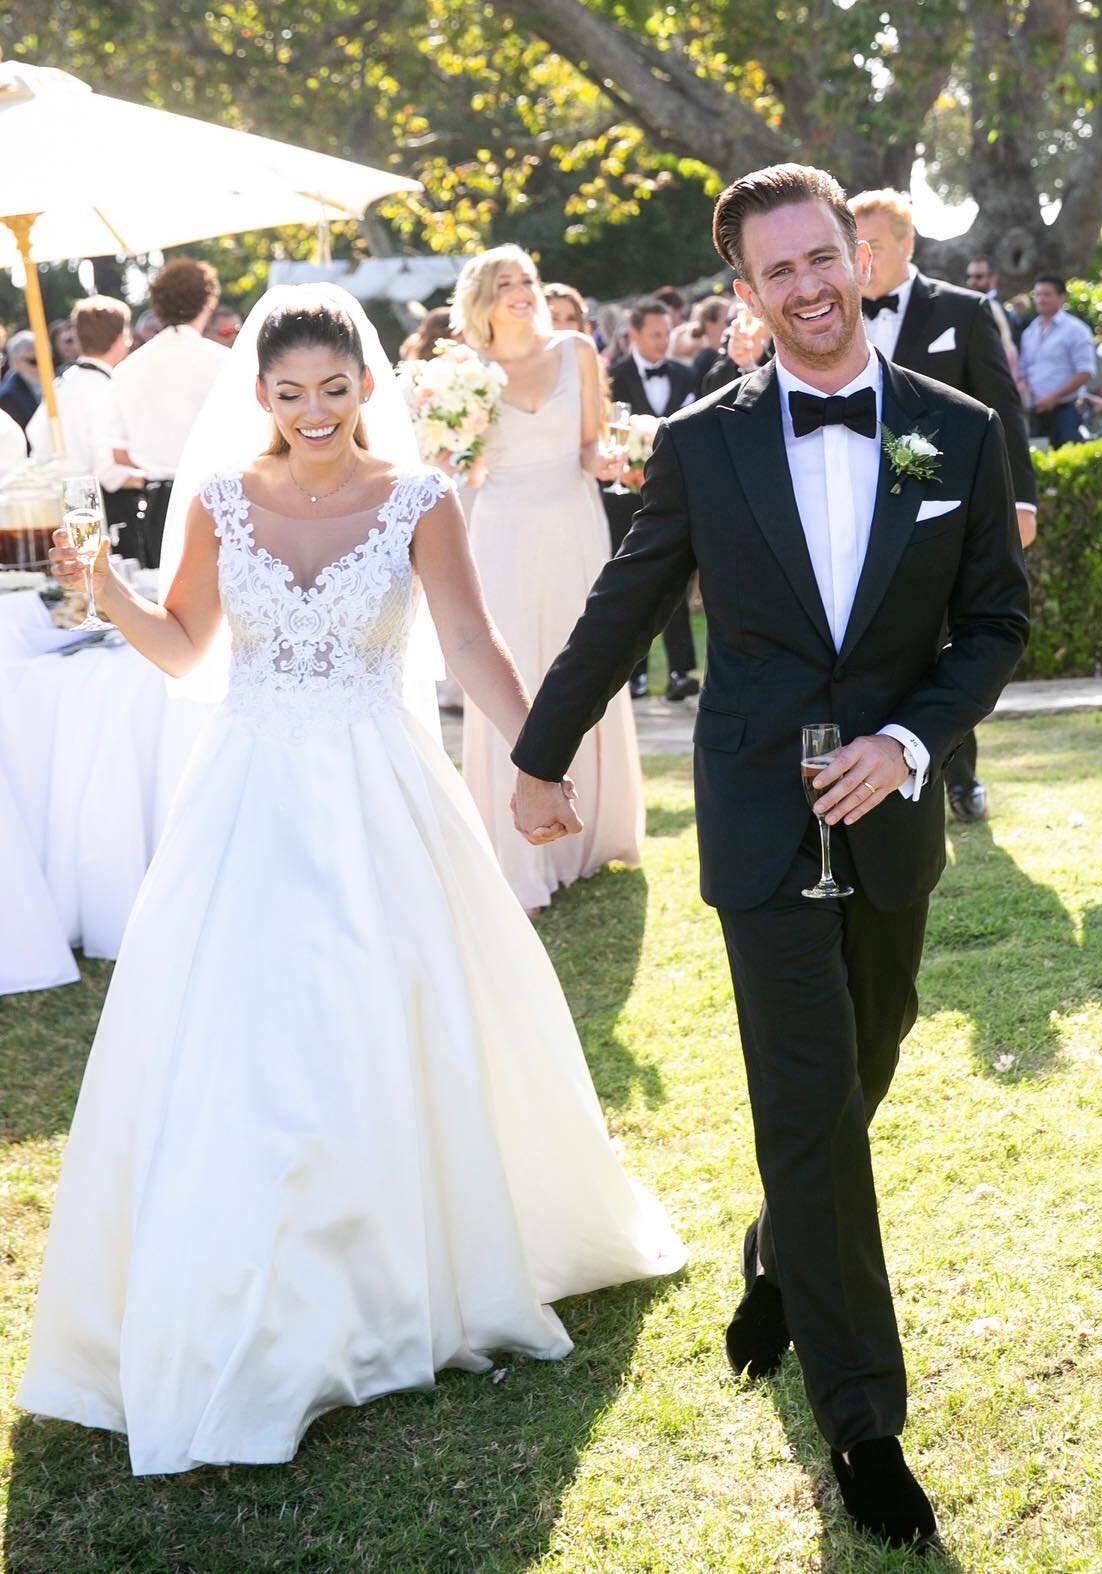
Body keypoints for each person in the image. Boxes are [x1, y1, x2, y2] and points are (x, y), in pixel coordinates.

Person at [19, 287, 683, 1479]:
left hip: (384, 790)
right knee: (245, 1045)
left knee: (395, 1020)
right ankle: (261, 1281)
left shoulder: (418, 499)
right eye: (290, 393)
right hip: (249, 800)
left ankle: (405, 1263)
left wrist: (536, 762)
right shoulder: (221, 501)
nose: (314, 411)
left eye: (334, 389)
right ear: (261, 397)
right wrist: (104, 586)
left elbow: (472, 644)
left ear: (367, 386)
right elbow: (184, 652)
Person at [512, 164, 1030, 1553]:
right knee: (807, 1093)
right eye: (773, 271)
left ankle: (779, 1249)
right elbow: (624, 611)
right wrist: (540, 749)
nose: (804, 288)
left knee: (865, 1061)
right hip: (757, 805)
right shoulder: (702, 445)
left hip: (893, 815)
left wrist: (913, 742)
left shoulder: (956, 434)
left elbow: (993, 623)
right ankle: (866, 1418)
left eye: (820, 259)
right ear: (742, 288)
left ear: (854, 256)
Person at [450, 246, 646, 913]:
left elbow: (592, 447)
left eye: (528, 279)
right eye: (506, 283)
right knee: (512, 676)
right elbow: (467, 472)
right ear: (483, 298)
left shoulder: (576, 352)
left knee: (582, 668)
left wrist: (619, 460)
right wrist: (450, 446)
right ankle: (519, 849)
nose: (523, 291)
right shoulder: (466, 374)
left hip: (574, 527)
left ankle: (590, 835)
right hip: (501, 533)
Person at [852, 190, 1037, 827]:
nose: (861, 257)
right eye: (854, 244)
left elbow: (1003, 410)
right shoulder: (833, 311)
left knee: (953, 642)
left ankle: (958, 776)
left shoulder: (964, 310)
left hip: (950, 506)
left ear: (909, 244)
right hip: (857, 511)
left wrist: (1022, 499)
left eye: (872, 243)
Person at [604, 298, 701, 702]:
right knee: (631, 585)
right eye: (655, 334)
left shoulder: (684, 373)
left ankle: (681, 670)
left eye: (666, 333)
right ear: (636, 335)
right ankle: (635, 674)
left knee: (675, 580)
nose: (664, 341)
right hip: (625, 495)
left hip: (676, 495)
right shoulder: (612, 376)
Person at [108, 258, 232, 566]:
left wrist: (160, 460)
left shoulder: (127, 369)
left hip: (158, 499)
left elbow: (119, 454)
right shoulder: (226, 363)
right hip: (223, 496)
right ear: (208, 302)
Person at [26, 297, 147, 559]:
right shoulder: (107, 389)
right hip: (98, 518)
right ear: (120, 338)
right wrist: (156, 479)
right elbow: (109, 472)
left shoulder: (61, 384)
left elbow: (36, 439)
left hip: (54, 515)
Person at [1016, 274, 1095, 447]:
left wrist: (1054, 397)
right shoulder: (1030, 332)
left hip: (1067, 410)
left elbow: (1086, 372)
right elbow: (1023, 370)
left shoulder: (1076, 330)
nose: (1041, 299)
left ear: (1062, 297)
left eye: (1047, 294)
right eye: (1037, 294)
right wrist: (1023, 386)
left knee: (1069, 459)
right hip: (1035, 411)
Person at [963, 252, 1022, 380]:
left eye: (978, 276)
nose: (972, 281)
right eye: (969, 276)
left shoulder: (1002, 310)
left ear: (993, 279)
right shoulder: (965, 306)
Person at [0, 330, 42, 434]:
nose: (41, 367)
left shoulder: (57, 384)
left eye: (45, 360)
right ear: (16, 362)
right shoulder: (7, 397)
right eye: (34, 361)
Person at [688, 293, 732, 389]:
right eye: (727, 321)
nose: (732, 324)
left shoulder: (726, 353)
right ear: (709, 325)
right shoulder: (705, 360)